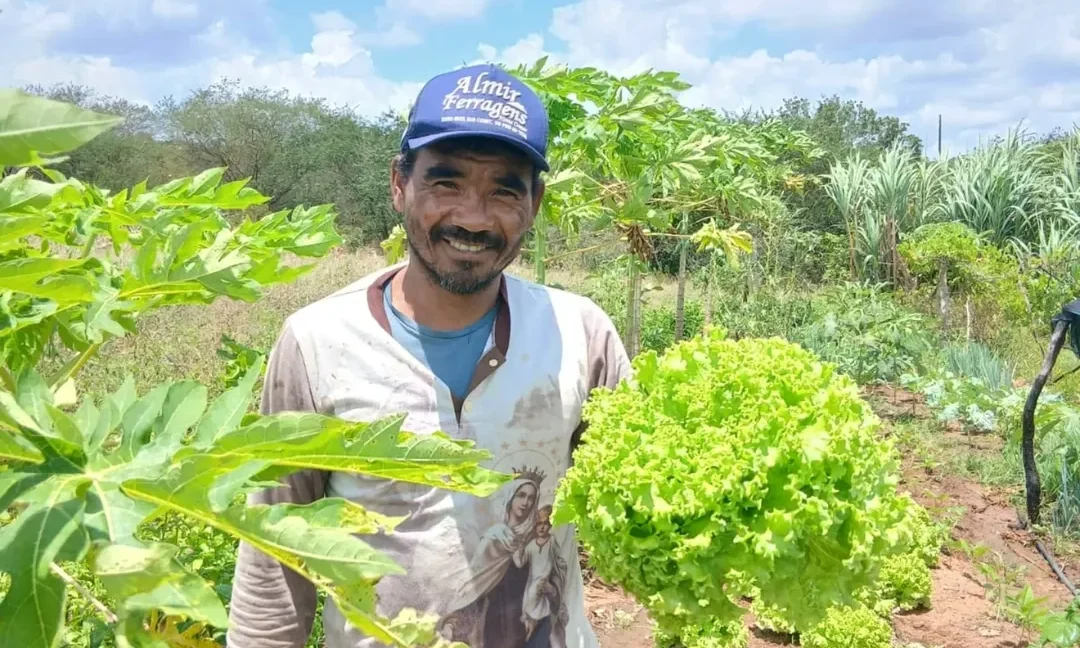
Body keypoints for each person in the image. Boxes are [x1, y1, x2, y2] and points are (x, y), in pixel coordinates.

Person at [225, 62, 632, 648]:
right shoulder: (317, 343)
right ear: (399, 183)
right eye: (446, 182)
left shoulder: (580, 333)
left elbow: (631, 502)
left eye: (504, 190)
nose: (472, 216)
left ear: (534, 204)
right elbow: (275, 557)